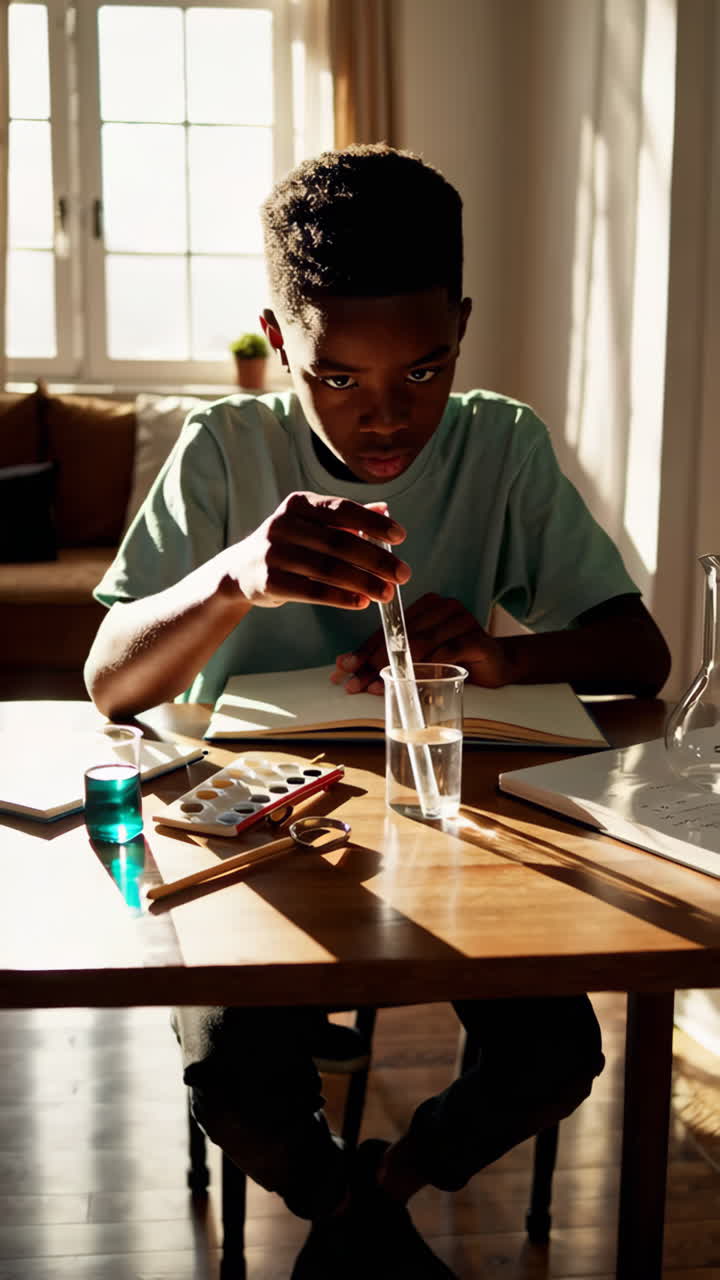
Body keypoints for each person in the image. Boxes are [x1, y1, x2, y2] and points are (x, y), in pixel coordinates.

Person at [85, 144, 670, 1278]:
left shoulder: (500, 447)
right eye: (337, 378)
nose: (386, 421)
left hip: (468, 845)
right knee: (234, 1077)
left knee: (554, 1052)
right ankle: (345, 1199)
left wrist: (502, 658)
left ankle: (377, 1190)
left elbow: (639, 655)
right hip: (254, 852)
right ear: (280, 337)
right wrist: (234, 577)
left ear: (461, 325)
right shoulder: (225, 451)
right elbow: (110, 682)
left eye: (425, 370)